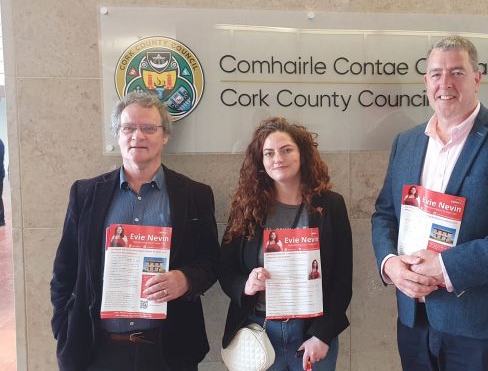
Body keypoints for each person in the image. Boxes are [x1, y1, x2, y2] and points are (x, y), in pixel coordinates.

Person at [371, 36, 488, 371]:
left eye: (457, 72)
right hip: (415, 316)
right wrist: (391, 265)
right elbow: (384, 214)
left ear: (477, 77)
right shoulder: (406, 142)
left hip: (479, 322)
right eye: (436, 74)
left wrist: (446, 266)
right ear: (426, 81)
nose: (445, 83)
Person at [50, 92, 220, 371]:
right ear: (118, 134)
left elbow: (211, 260)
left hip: (169, 348)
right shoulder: (85, 194)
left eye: (148, 128)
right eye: (128, 128)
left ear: (165, 136)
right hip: (96, 348)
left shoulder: (194, 195)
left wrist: (186, 279)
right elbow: (64, 269)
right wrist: (63, 326)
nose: (137, 136)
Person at [219, 117, 352, 371]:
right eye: (269, 153)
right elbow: (225, 269)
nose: (277, 159)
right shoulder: (247, 208)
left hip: (312, 336)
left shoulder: (331, 205)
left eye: (286, 150)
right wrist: (246, 285)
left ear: (302, 154)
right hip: (260, 333)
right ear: (261, 161)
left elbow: (342, 279)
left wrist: (323, 335)